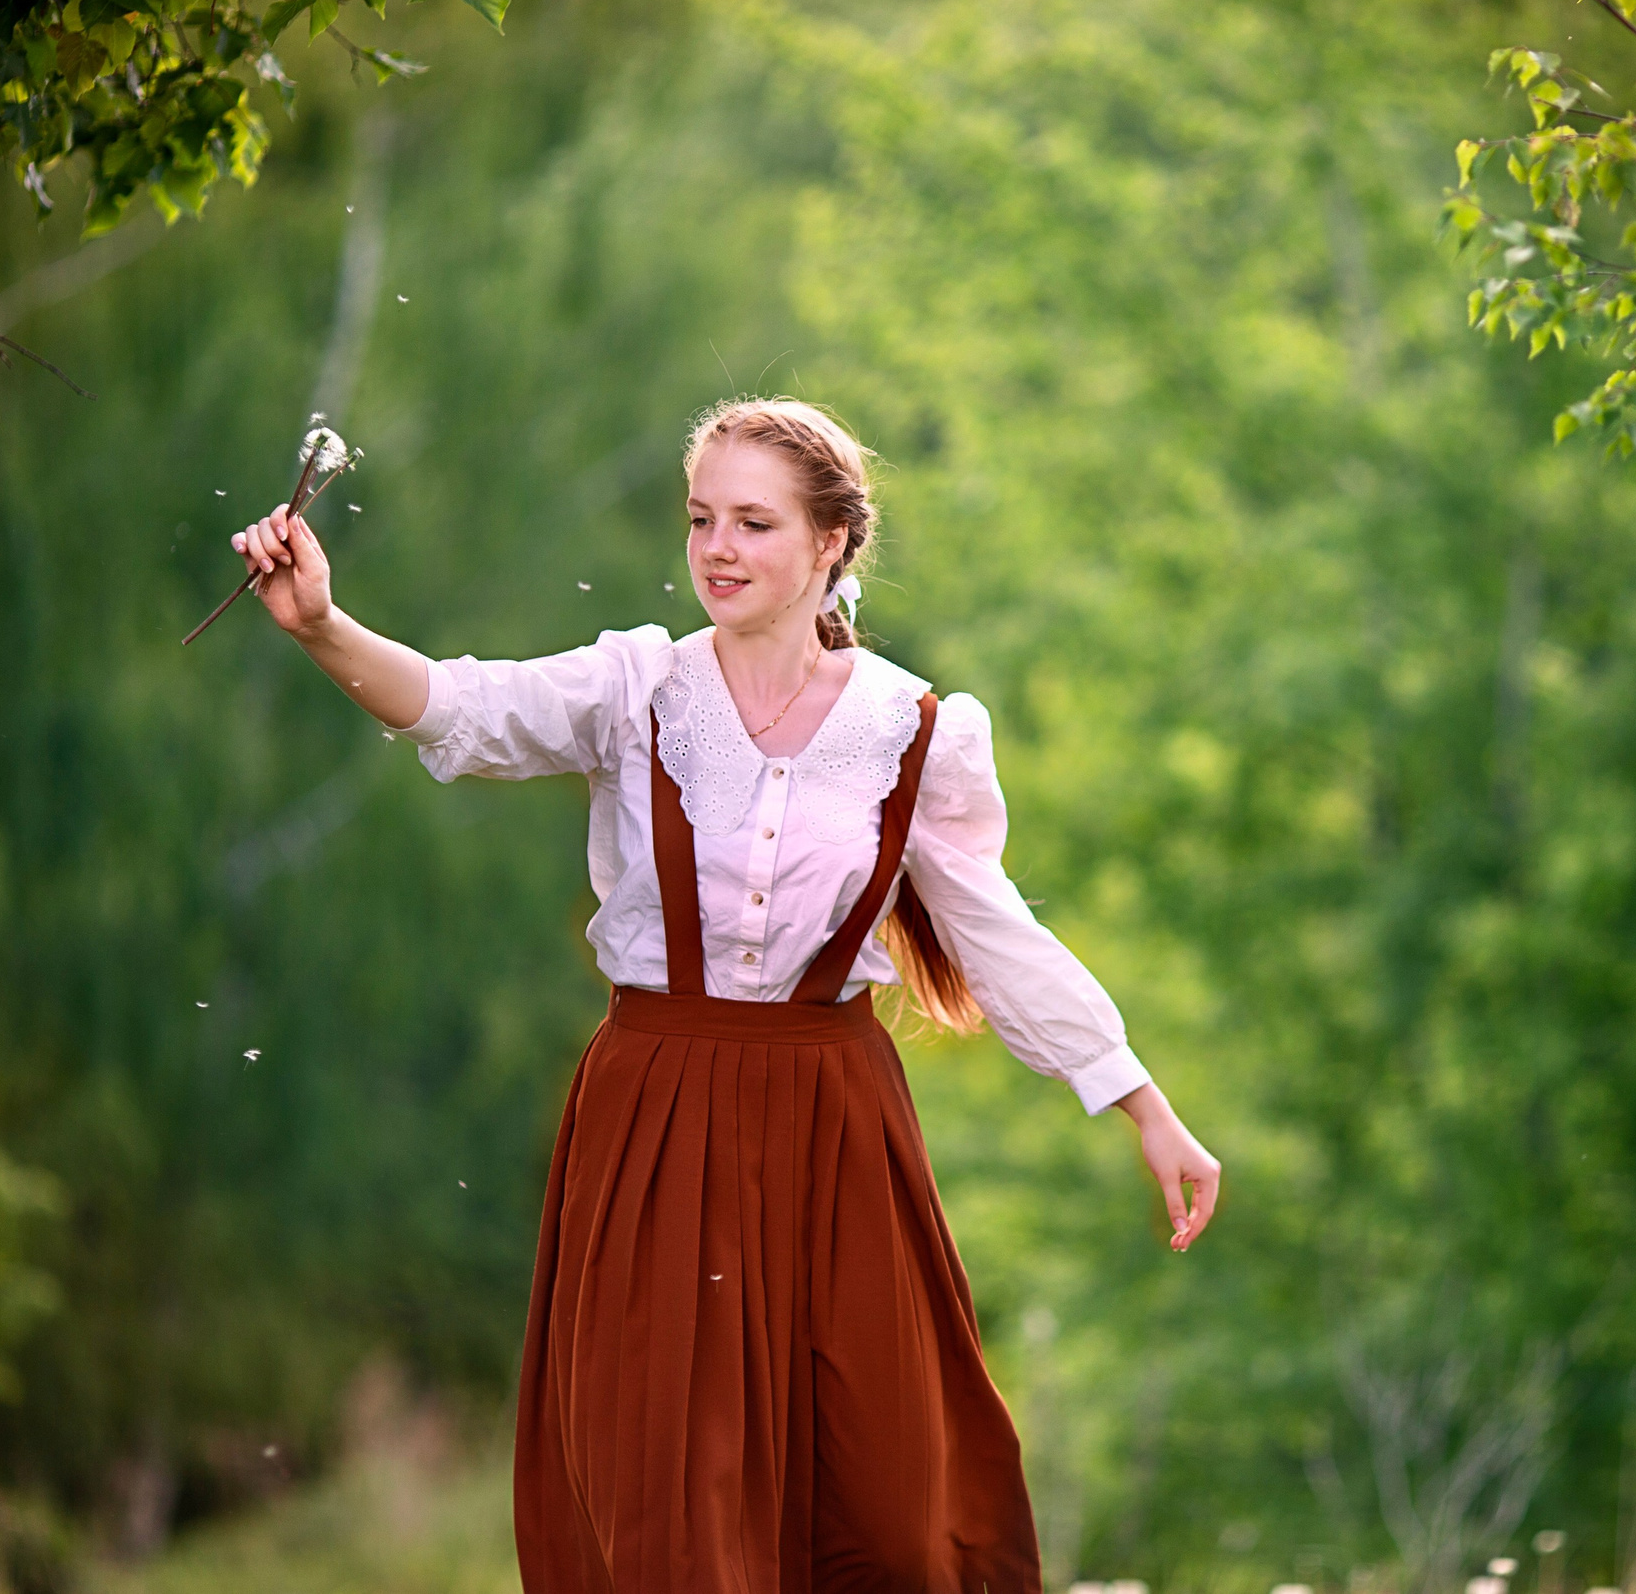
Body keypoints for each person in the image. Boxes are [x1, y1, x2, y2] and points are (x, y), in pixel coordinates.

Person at [228, 397, 1221, 1594]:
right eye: (702, 518)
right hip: (658, 1116)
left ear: (832, 547)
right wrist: (323, 624)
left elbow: (997, 937)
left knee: (890, 1509)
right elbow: (458, 706)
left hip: (833, 1127)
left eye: (755, 522)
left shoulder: (915, 732)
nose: (718, 548)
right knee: (673, 1510)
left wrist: (1139, 1102)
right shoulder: (636, 687)